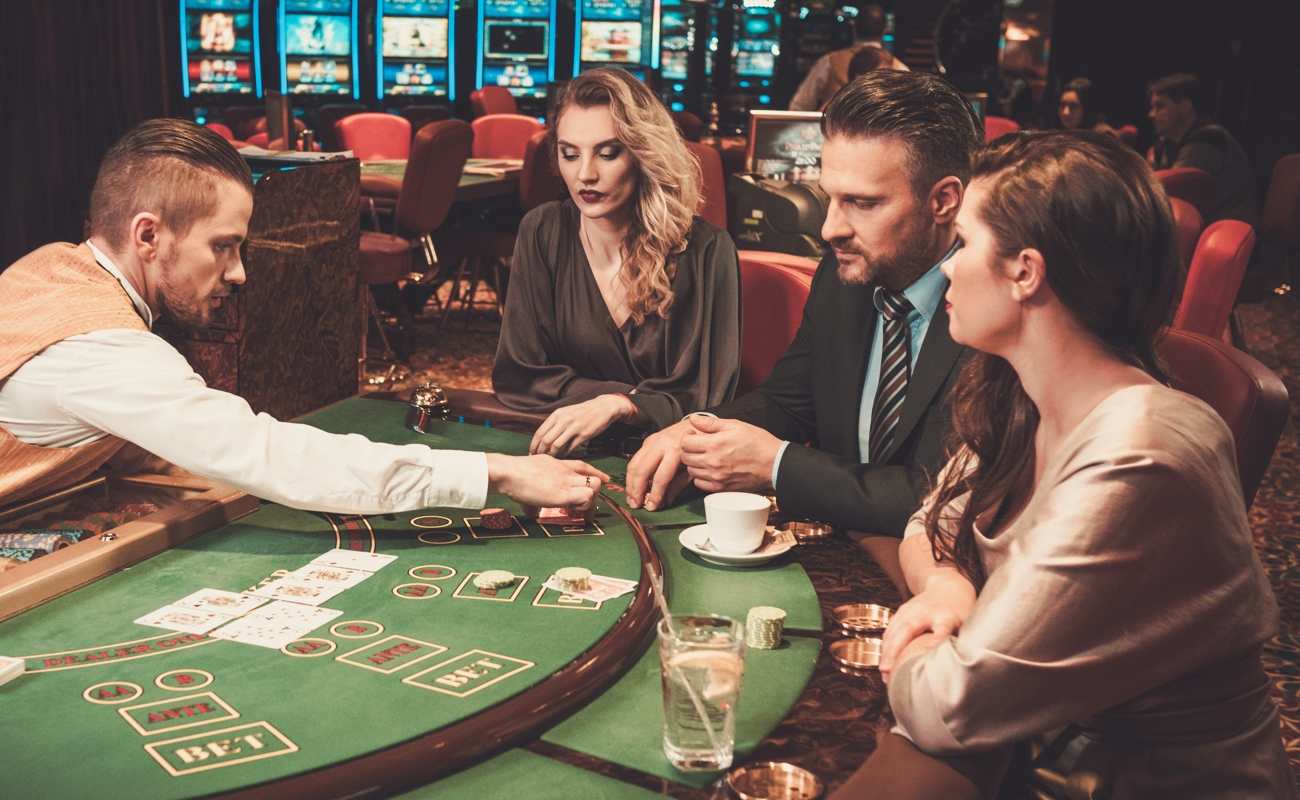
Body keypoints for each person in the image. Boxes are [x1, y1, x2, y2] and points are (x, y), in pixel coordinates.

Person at [877, 131, 1294, 797]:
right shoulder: (1025, 393)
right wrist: (947, 591)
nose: (946, 268)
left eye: (963, 244)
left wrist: (915, 651)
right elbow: (927, 523)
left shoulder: (1142, 450)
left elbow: (950, 706)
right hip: (1039, 758)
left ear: (1026, 271)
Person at [0, 118, 605, 514]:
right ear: (149, 235)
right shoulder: (101, 346)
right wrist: (496, 473)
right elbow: (267, 453)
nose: (239, 273)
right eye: (224, 245)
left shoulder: (53, 267)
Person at [627, 70, 982, 539]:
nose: (830, 229)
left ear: (944, 202)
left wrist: (777, 466)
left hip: (947, 574)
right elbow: (789, 404)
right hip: (848, 547)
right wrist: (698, 432)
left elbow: (941, 497)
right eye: (829, 197)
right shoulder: (845, 277)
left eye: (862, 203)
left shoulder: (992, 311)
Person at [492, 68, 741, 457]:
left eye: (608, 153)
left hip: (672, 462)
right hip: (566, 454)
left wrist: (620, 406)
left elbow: (706, 395)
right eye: (569, 154)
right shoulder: (542, 231)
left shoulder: (707, 250)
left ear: (643, 154)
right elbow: (519, 376)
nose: (585, 175)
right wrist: (633, 400)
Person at [1148, 72, 1259, 226]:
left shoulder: (1209, 138)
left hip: (1227, 229)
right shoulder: (1164, 143)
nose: (1151, 114)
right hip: (1201, 224)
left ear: (1185, 107)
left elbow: (1171, 193)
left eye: (1160, 106)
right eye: (1152, 107)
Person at [789, 4, 908, 112]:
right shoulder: (899, 69)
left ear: (854, 28)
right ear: (884, 30)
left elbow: (798, 107)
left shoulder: (828, 62)